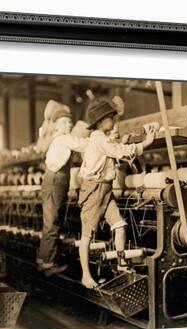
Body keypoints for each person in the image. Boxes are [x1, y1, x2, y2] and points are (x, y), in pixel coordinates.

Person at [78, 99, 155, 288]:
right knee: (87, 235)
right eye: (110, 117)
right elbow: (117, 151)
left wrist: (125, 141)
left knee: (120, 225)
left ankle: (121, 264)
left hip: (105, 189)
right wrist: (145, 143)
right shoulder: (98, 138)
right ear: (101, 121)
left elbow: (114, 148)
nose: (113, 119)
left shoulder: (101, 137)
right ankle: (86, 275)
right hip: (94, 189)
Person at [36, 109, 89, 276]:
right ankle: (48, 264)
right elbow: (83, 144)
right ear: (57, 125)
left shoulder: (56, 139)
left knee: (50, 222)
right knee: (52, 223)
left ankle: (43, 259)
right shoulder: (64, 138)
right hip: (55, 181)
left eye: (70, 122)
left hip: (53, 180)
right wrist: (100, 139)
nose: (69, 124)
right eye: (65, 122)